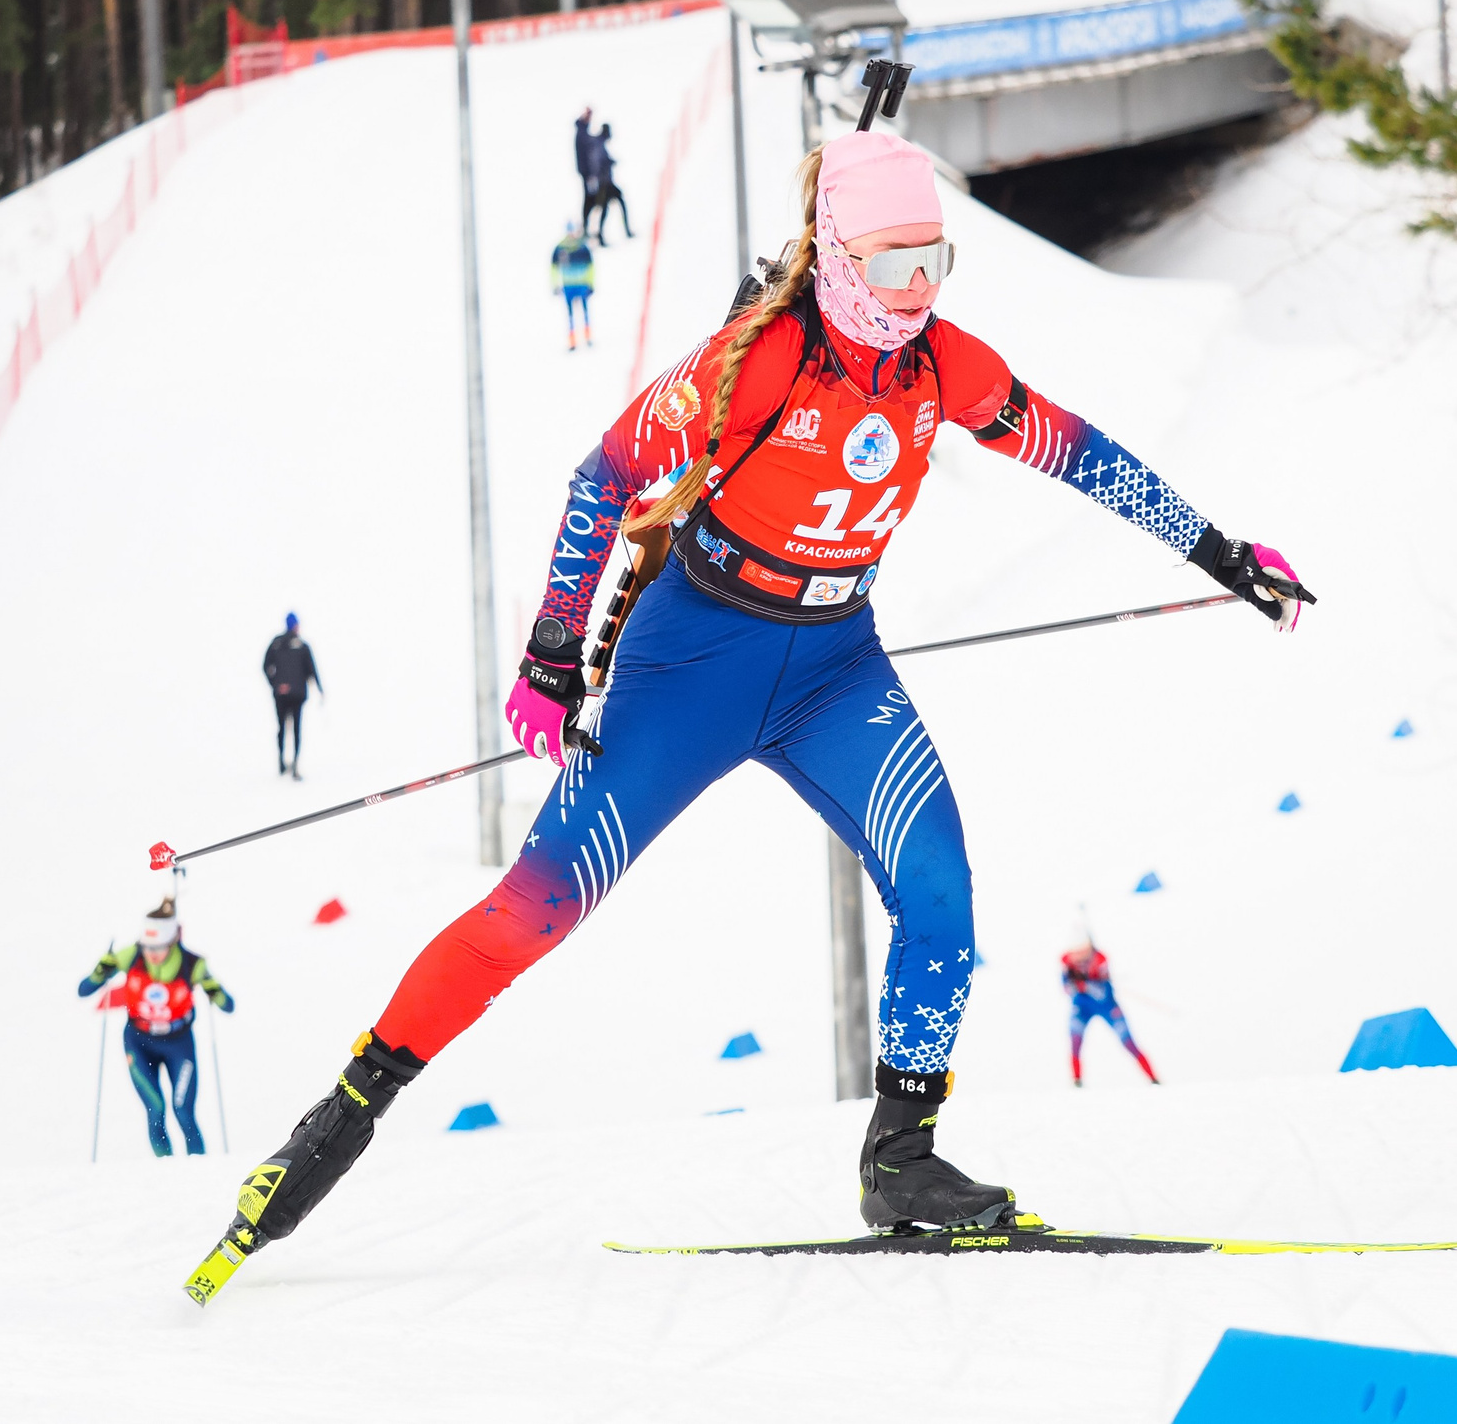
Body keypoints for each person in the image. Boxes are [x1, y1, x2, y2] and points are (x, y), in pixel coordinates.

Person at [188, 129, 1309, 1294]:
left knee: (942, 897)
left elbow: (1077, 453)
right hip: (692, 663)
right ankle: (333, 1125)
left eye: (936, 261)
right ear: (834, 255)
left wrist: (1218, 552)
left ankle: (901, 1161)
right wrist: (555, 650)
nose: (916, 292)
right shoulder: (763, 358)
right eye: (889, 265)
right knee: (531, 912)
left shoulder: (941, 368)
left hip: (836, 667)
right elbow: (604, 475)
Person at [80, 899, 234, 1157]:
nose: (152, 953)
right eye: (148, 946)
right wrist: (100, 971)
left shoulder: (191, 964)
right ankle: (166, 1173)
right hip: (139, 1042)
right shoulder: (131, 955)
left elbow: (228, 1005)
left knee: (184, 1111)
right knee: (155, 1108)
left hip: (179, 1043)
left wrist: (214, 990)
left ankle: (199, 1172)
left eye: (159, 947)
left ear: (172, 941)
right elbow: (84, 990)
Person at [1061, 937, 1159, 1087]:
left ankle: (1153, 1079)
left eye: (1083, 952)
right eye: (1076, 953)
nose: (1079, 957)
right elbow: (1067, 988)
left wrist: (1085, 984)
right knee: (1075, 1040)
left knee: (1128, 1042)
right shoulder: (1067, 964)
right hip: (1082, 1007)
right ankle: (1076, 1080)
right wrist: (1077, 984)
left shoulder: (1100, 960)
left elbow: (1102, 993)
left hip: (1108, 1007)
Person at [263, 614, 322, 780]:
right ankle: (293, 764)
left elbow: (266, 666)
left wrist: (276, 685)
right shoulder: (299, 645)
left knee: (282, 728)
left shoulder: (277, 643)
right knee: (294, 729)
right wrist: (319, 689)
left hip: (283, 695)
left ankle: (283, 763)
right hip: (296, 694)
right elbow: (312, 670)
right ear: (295, 625)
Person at [552, 220, 596, 350]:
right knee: (571, 313)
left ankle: (587, 336)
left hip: (581, 284)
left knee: (584, 311)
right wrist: (555, 284)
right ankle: (573, 340)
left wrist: (590, 283)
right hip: (569, 285)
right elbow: (553, 268)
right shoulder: (561, 247)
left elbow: (590, 267)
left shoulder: (581, 246)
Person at [587, 121, 633, 243]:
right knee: (607, 207)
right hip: (604, 183)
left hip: (606, 182)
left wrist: (610, 161)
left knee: (608, 207)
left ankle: (605, 234)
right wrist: (608, 164)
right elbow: (597, 164)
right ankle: (603, 235)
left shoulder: (600, 144)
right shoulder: (598, 145)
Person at [574, 106, 600, 230]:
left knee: (592, 199)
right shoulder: (582, 133)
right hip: (587, 173)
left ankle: (586, 225)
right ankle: (585, 225)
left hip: (588, 173)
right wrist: (589, 174)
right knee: (590, 199)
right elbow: (586, 154)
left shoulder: (583, 132)